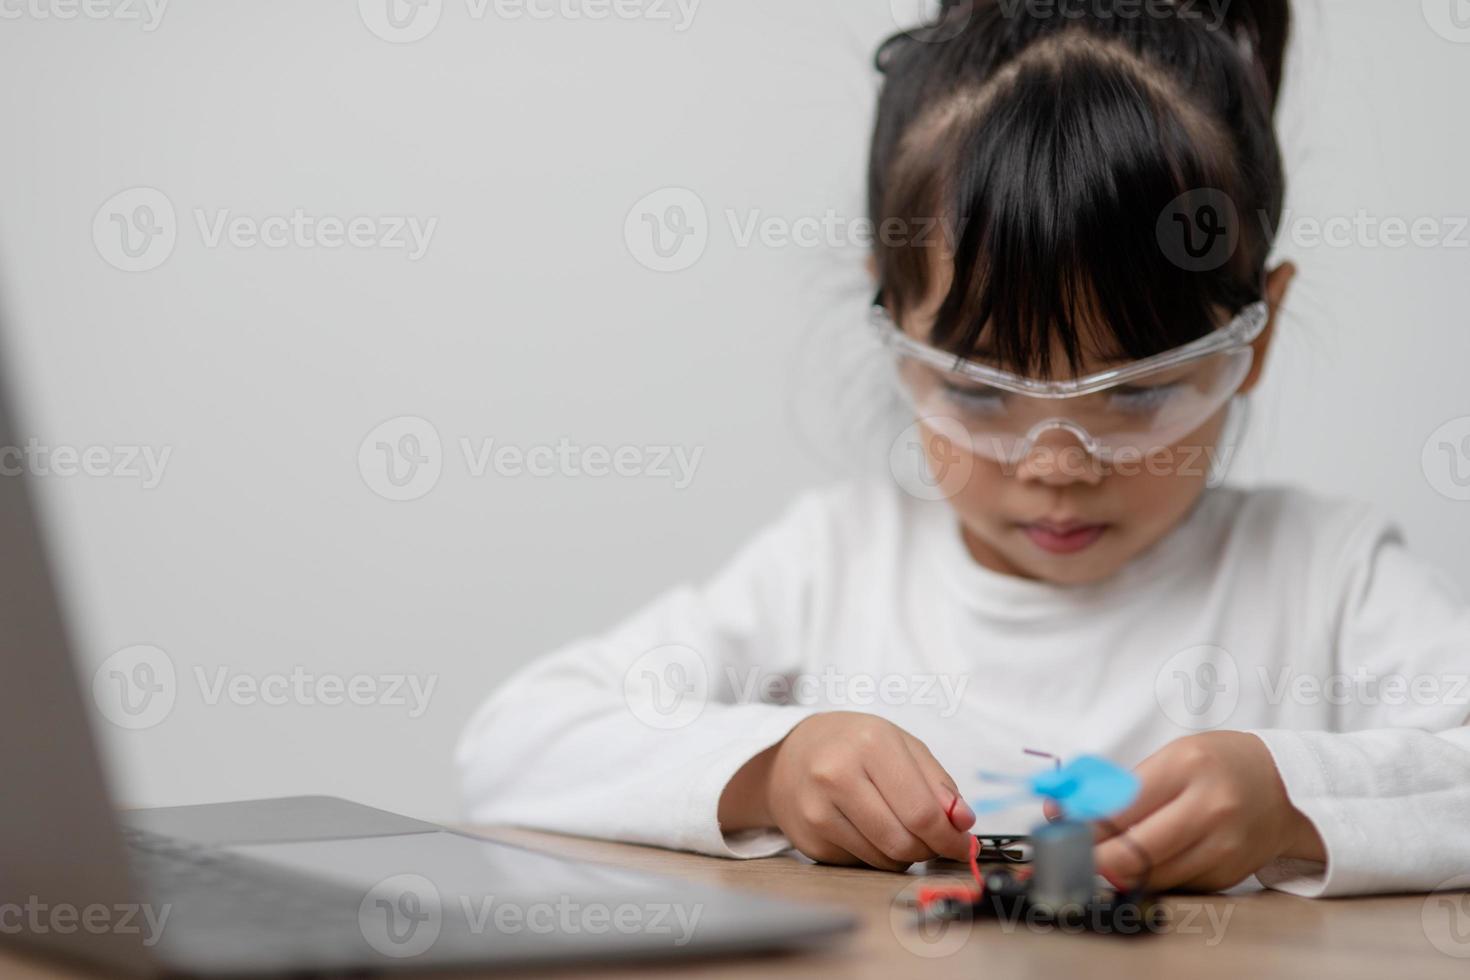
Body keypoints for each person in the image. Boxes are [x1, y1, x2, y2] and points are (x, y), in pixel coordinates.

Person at [457, 0, 1470, 897]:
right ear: (894, 317)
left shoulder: (1325, 578)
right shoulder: (829, 567)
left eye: (1139, 391)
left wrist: (1295, 804)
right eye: (981, 392)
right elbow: (513, 741)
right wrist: (770, 770)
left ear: (1260, 335)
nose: (1057, 463)